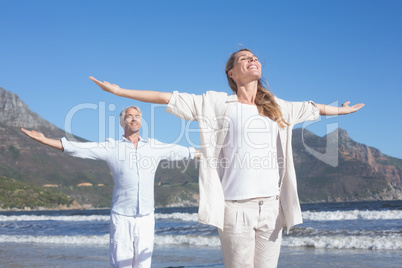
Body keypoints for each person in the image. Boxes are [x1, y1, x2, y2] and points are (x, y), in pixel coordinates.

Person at [89, 48, 364, 268]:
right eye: (245, 58)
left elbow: (313, 108)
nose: (252, 59)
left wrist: (342, 111)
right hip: (235, 208)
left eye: (254, 57)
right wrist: (119, 91)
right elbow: (165, 97)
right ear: (232, 73)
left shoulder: (276, 107)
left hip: (271, 206)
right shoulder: (217, 103)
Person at [22, 105, 199, 268]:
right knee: (120, 263)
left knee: (144, 264)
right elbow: (79, 148)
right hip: (121, 215)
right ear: (122, 122)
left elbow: (186, 152)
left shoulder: (154, 146)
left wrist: (215, 153)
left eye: (137, 116)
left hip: (146, 215)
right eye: (129, 116)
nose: (134, 119)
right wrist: (45, 140)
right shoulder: (111, 147)